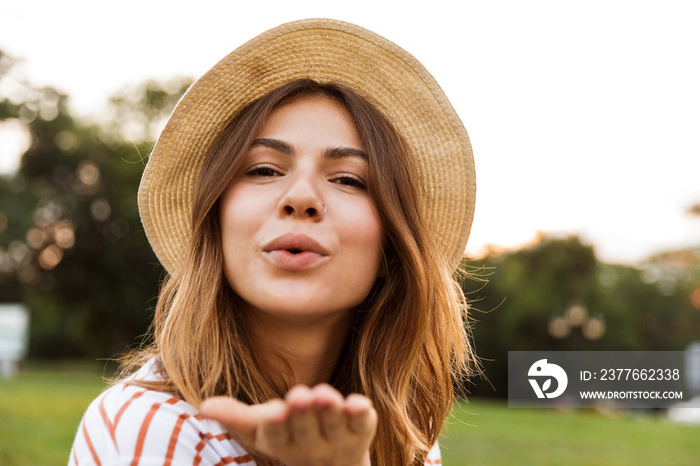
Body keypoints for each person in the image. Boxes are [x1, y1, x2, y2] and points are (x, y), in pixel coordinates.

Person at [69, 18, 477, 466]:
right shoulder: (151, 427)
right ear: (217, 224)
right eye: (264, 169)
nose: (301, 197)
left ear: (391, 249)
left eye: (347, 179)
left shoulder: (401, 432)